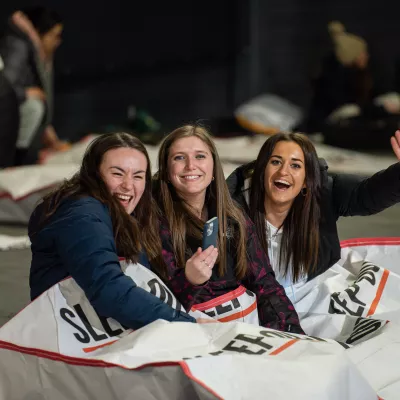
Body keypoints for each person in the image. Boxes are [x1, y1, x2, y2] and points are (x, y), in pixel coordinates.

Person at [28, 132, 204, 330]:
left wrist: (189, 282)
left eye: (138, 176)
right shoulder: (82, 216)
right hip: (65, 336)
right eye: (117, 173)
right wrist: (186, 325)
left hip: (99, 328)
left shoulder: (129, 216)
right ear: (94, 174)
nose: (128, 185)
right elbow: (108, 289)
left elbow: (147, 289)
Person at [153, 124, 304, 333]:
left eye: (200, 156)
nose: (190, 166)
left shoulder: (234, 217)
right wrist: (188, 281)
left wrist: (289, 332)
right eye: (179, 158)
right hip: (190, 334)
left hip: (242, 330)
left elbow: (265, 285)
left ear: (214, 167)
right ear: (167, 170)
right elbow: (152, 303)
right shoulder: (153, 221)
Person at [226, 130, 400, 303]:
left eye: (295, 165)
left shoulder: (323, 194)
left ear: (306, 180)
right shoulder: (230, 209)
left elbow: (367, 195)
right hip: (252, 304)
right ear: (262, 170)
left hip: (310, 297)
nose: (283, 172)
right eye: (276, 162)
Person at [302, 21, 400, 149]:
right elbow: (346, 107)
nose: (365, 56)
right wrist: (379, 108)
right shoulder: (335, 79)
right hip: (338, 121)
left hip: (365, 113)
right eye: (360, 55)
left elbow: (380, 93)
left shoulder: (371, 70)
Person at [0, 7, 69, 166]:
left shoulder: (36, 53)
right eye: (55, 36)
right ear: (39, 32)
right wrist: (26, 93)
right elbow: (3, 90)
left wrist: (48, 130)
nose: (58, 42)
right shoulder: (17, 47)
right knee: (33, 106)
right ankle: (14, 162)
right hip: (6, 130)